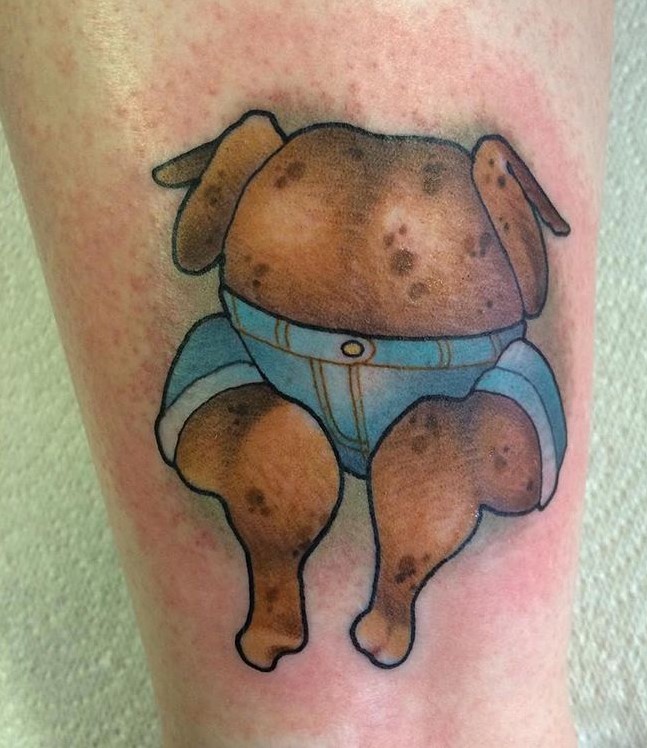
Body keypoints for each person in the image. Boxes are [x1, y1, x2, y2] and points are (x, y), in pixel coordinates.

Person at [0, 1, 613, 745]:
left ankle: (402, 612)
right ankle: (277, 597)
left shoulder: (485, 181)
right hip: (268, 360)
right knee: (267, 450)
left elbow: (532, 292)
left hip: (462, 380)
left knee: (450, 454)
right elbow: (193, 249)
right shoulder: (261, 158)